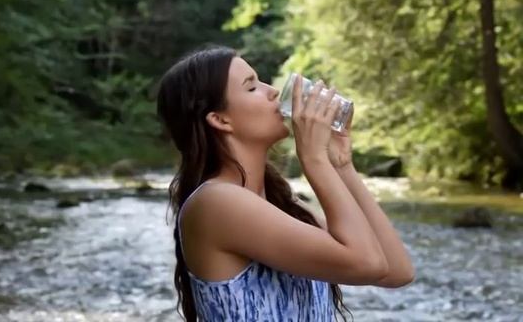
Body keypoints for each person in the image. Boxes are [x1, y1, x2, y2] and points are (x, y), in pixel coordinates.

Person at [155, 46, 414, 321]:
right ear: (220, 120)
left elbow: (397, 270)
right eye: (252, 87)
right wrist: (314, 160)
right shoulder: (216, 203)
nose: (273, 92)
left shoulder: (281, 206)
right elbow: (368, 264)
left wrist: (341, 165)